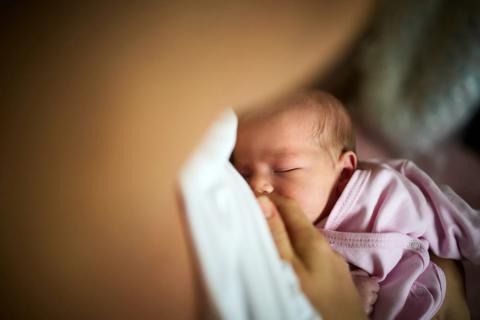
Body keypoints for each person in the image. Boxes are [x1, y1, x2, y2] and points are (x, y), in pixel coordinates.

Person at [232, 90, 478, 319]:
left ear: (344, 172)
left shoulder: (381, 191)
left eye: (284, 168)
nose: (257, 185)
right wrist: (351, 293)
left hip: (432, 297)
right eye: (243, 173)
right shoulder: (263, 235)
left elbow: (444, 215)